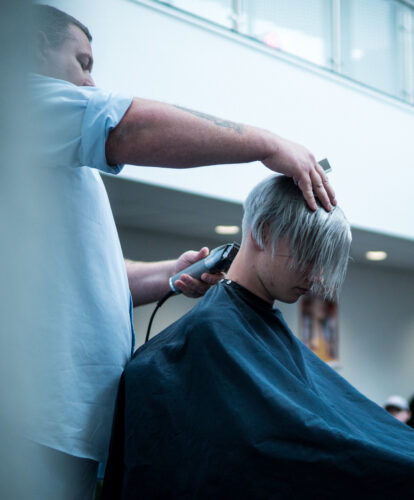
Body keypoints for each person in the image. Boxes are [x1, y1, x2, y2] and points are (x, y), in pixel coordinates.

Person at [24, 4, 336, 499]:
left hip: (69, 429)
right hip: (34, 425)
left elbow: (92, 282)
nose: (90, 82)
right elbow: (125, 125)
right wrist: (265, 143)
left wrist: (172, 272)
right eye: (82, 62)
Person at [102, 175, 414, 499]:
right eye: (309, 256)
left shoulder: (246, 327)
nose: (318, 275)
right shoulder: (207, 336)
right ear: (264, 232)